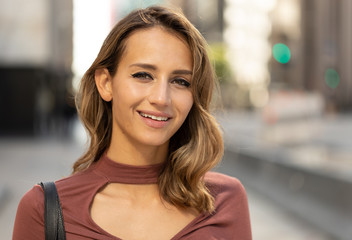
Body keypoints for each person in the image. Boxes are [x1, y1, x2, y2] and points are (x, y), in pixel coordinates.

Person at [13, 6, 252, 240]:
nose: (161, 98)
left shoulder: (225, 200)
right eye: (143, 75)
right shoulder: (43, 210)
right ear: (106, 83)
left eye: (180, 81)